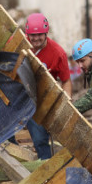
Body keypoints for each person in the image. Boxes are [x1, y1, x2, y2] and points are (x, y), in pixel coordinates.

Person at [24, 13, 73, 159]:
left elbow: (66, 80)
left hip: (42, 98)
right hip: (21, 92)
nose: (35, 38)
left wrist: (66, 102)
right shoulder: (21, 44)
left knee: (40, 138)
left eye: (39, 34)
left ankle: (45, 166)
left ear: (46, 33)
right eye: (32, 35)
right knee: (4, 129)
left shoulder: (58, 53)